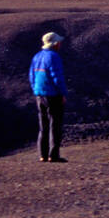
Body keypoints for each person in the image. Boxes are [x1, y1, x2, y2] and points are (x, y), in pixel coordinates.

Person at [29, 32, 68, 163]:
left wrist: (36, 90)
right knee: (55, 124)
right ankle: (53, 155)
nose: (60, 44)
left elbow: (32, 77)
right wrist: (62, 93)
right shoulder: (54, 57)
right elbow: (57, 77)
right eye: (58, 42)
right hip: (53, 95)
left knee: (43, 125)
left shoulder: (37, 56)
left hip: (39, 94)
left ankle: (43, 155)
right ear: (55, 44)